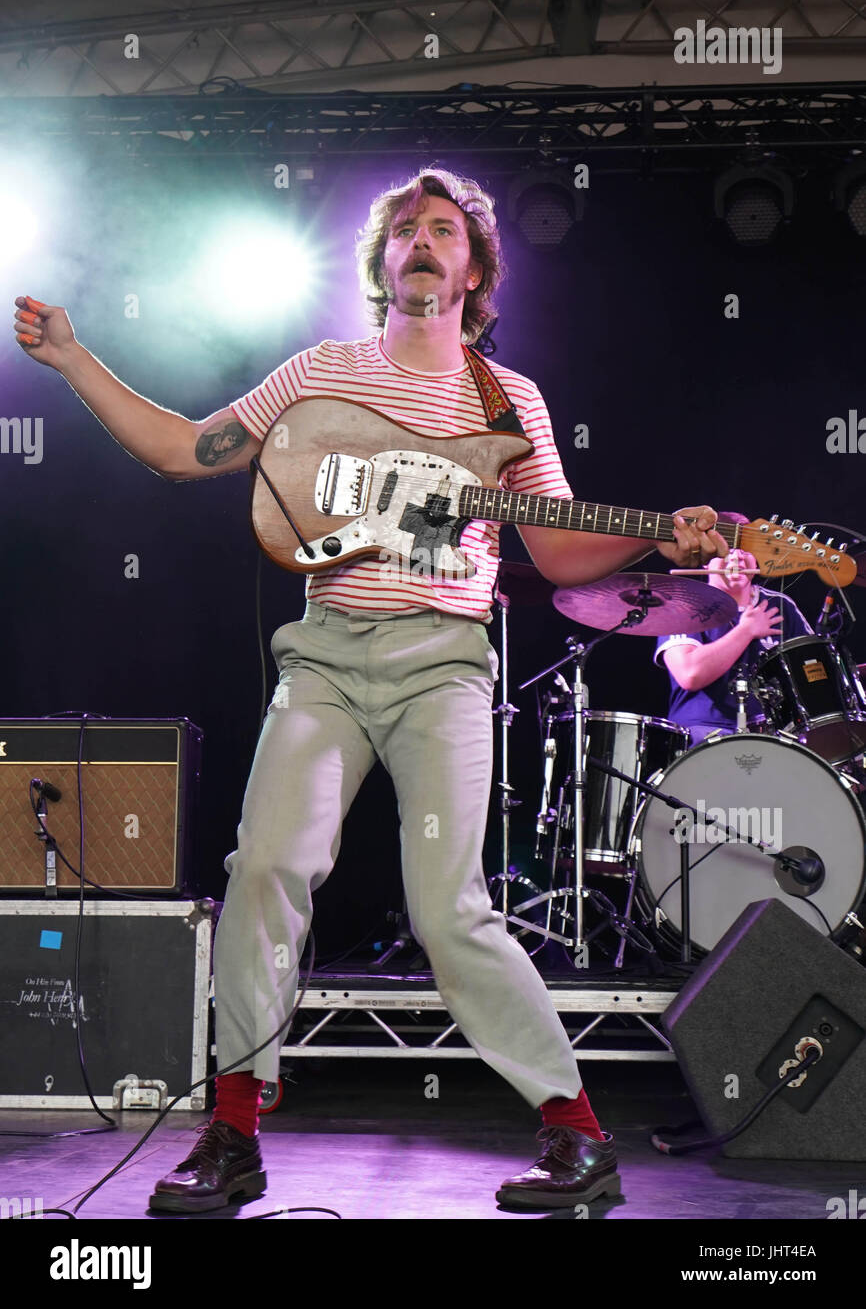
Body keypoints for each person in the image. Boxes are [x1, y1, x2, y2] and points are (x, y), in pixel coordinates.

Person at [13, 168, 726, 1214]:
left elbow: (560, 555)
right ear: (382, 264)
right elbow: (181, 450)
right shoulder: (321, 372)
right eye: (403, 229)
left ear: (474, 267)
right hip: (328, 661)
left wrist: (652, 533)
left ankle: (574, 1135)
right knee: (263, 869)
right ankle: (233, 1133)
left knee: (450, 911)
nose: (422, 241)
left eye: (443, 229)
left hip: (442, 666)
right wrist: (73, 358)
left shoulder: (504, 399)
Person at [654, 514, 812, 744]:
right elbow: (689, 674)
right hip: (702, 732)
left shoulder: (781, 605)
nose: (736, 557)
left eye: (744, 549)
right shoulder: (685, 603)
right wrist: (746, 630)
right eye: (726, 549)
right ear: (706, 559)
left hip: (775, 733)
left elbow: (811, 668)